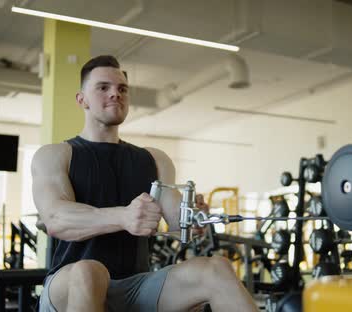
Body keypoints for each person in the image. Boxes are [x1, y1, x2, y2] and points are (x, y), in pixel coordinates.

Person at [32, 55, 258, 312]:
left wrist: (193, 218)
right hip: (69, 285)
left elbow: (175, 222)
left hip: (135, 285)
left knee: (217, 268)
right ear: (81, 99)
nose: (115, 94)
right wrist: (123, 217)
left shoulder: (154, 159)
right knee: (90, 272)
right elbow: (55, 218)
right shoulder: (56, 154)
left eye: (122, 89)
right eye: (103, 87)